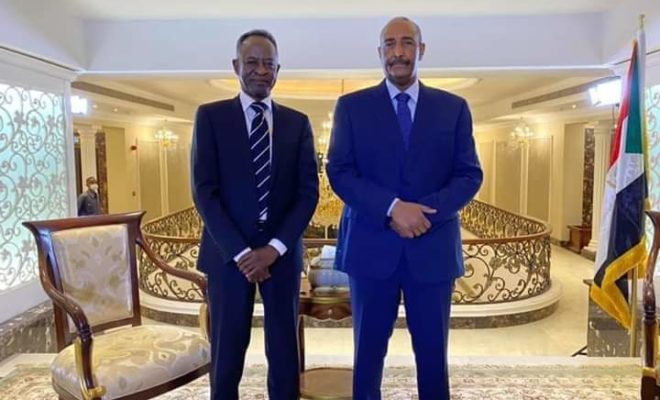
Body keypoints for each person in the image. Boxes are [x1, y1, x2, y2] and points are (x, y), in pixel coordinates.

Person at [326, 17, 483, 399]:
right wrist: (393, 207)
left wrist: (421, 212)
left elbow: (469, 174)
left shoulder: (453, 108)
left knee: (432, 356)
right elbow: (340, 171)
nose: (398, 52)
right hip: (370, 249)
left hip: (432, 250)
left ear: (421, 49)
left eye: (407, 43)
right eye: (390, 44)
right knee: (367, 356)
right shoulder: (351, 107)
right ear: (380, 52)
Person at [191, 29, 319, 400]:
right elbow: (204, 192)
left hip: (281, 256)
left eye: (268, 64)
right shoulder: (211, 117)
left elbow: (307, 193)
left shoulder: (298, 123)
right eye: (252, 62)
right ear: (236, 66)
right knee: (227, 351)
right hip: (227, 256)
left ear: (278, 70)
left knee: (284, 351)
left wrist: (274, 249)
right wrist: (243, 253)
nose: (261, 70)